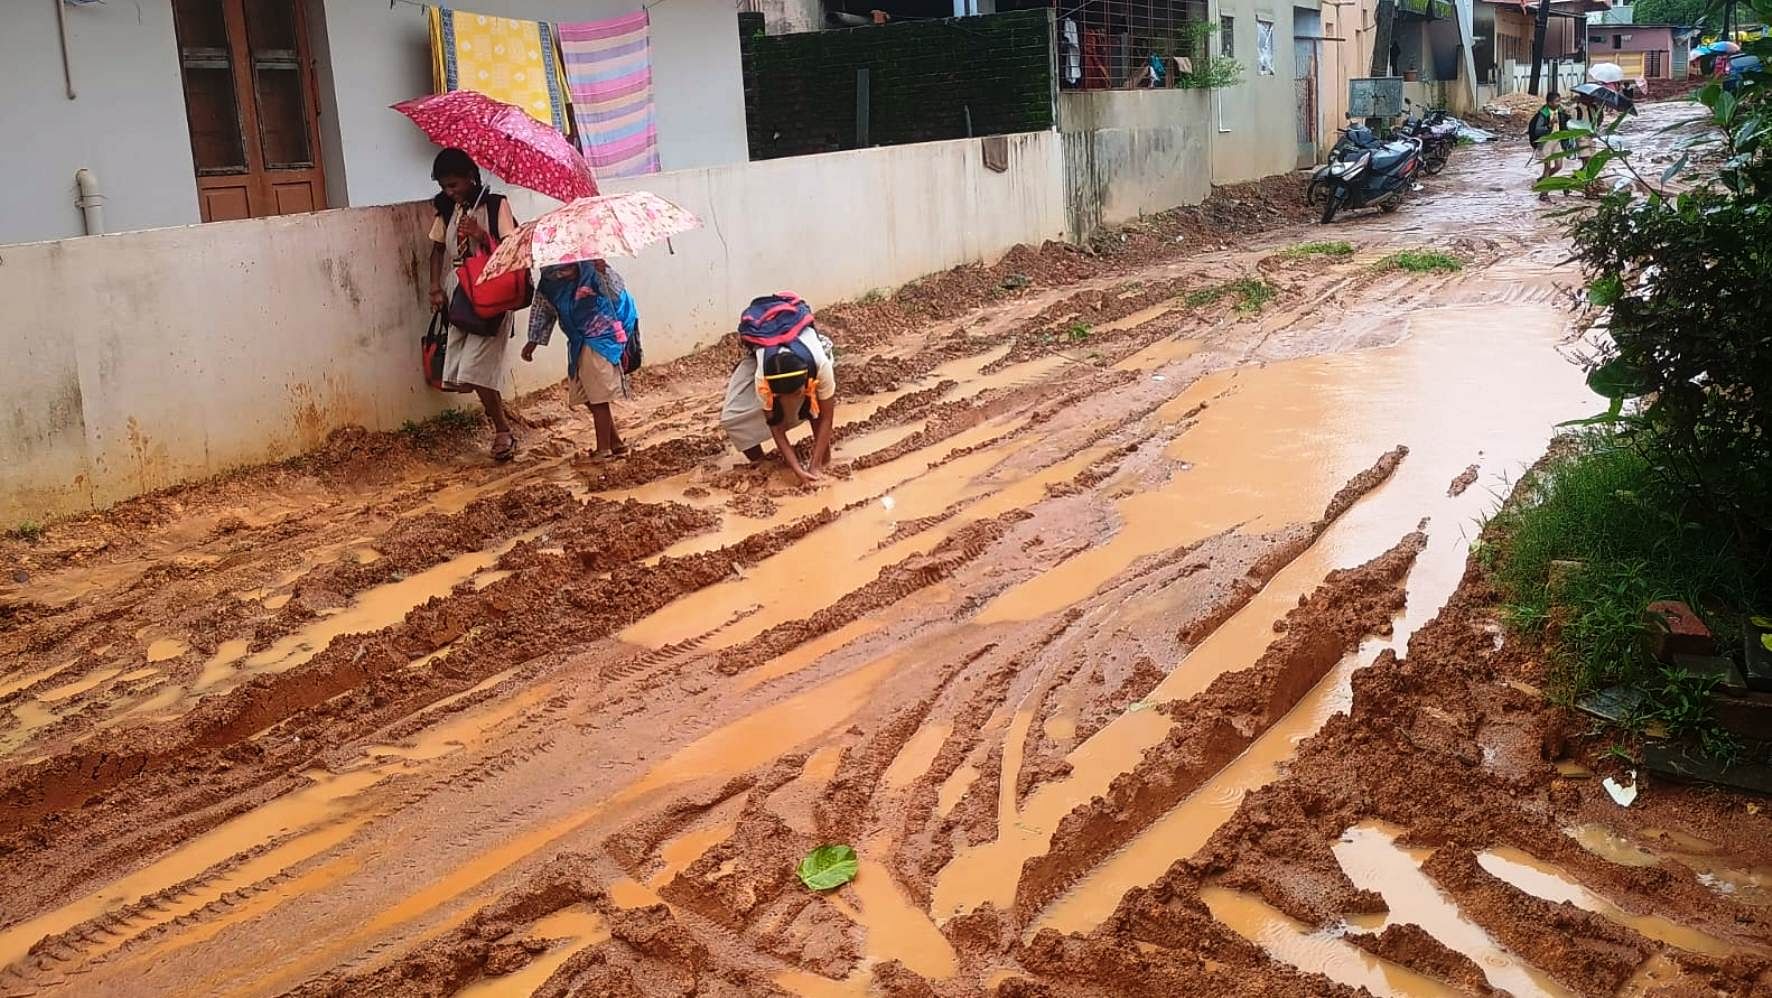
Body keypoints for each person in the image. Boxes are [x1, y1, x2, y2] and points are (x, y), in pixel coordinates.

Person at [427, 148, 520, 461]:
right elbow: (437, 249)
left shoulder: (496, 205)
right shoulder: (446, 209)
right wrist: (435, 287)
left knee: (477, 366)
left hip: (491, 291)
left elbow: (512, 247)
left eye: (454, 185)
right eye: (444, 187)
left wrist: (480, 234)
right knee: (467, 368)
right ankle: (502, 425)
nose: (449, 192)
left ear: (470, 178)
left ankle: (502, 430)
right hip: (459, 293)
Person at [521, 260, 634, 459]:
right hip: (577, 341)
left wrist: (604, 270)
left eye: (569, 268)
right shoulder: (549, 284)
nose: (566, 273)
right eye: (560, 271)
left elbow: (616, 293)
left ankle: (604, 449)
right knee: (588, 396)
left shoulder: (593, 270)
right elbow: (542, 312)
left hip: (600, 338)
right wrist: (533, 342)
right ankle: (615, 443)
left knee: (598, 397)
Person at [720, 317, 837, 487]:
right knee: (732, 419)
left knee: (816, 408)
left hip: (811, 357)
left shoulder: (821, 366)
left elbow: (827, 417)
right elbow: (776, 427)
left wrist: (814, 467)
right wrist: (796, 469)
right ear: (772, 391)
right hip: (762, 356)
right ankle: (763, 462)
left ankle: (822, 461)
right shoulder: (763, 378)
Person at [1528, 91, 1567, 202]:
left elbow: (1565, 125)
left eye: (1559, 101)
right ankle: (1544, 193)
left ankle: (1542, 180)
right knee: (1547, 167)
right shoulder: (1543, 114)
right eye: (1556, 101)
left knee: (1559, 166)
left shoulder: (1560, 111)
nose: (1559, 103)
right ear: (1549, 103)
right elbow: (1538, 130)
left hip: (1557, 139)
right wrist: (1549, 125)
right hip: (1546, 141)